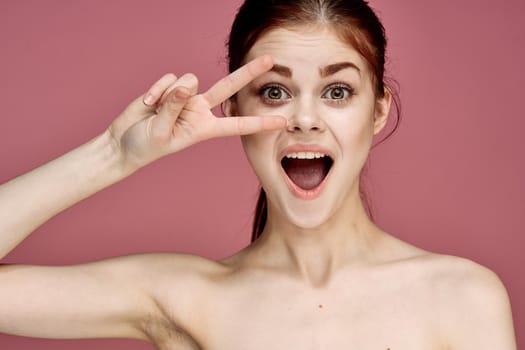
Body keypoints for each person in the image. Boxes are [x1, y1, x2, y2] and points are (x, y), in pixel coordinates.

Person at [0, 0, 517, 348]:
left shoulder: (461, 296)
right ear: (233, 111)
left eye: (337, 91)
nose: (306, 119)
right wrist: (114, 154)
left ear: (377, 111)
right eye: (274, 91)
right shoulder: (183, 295)